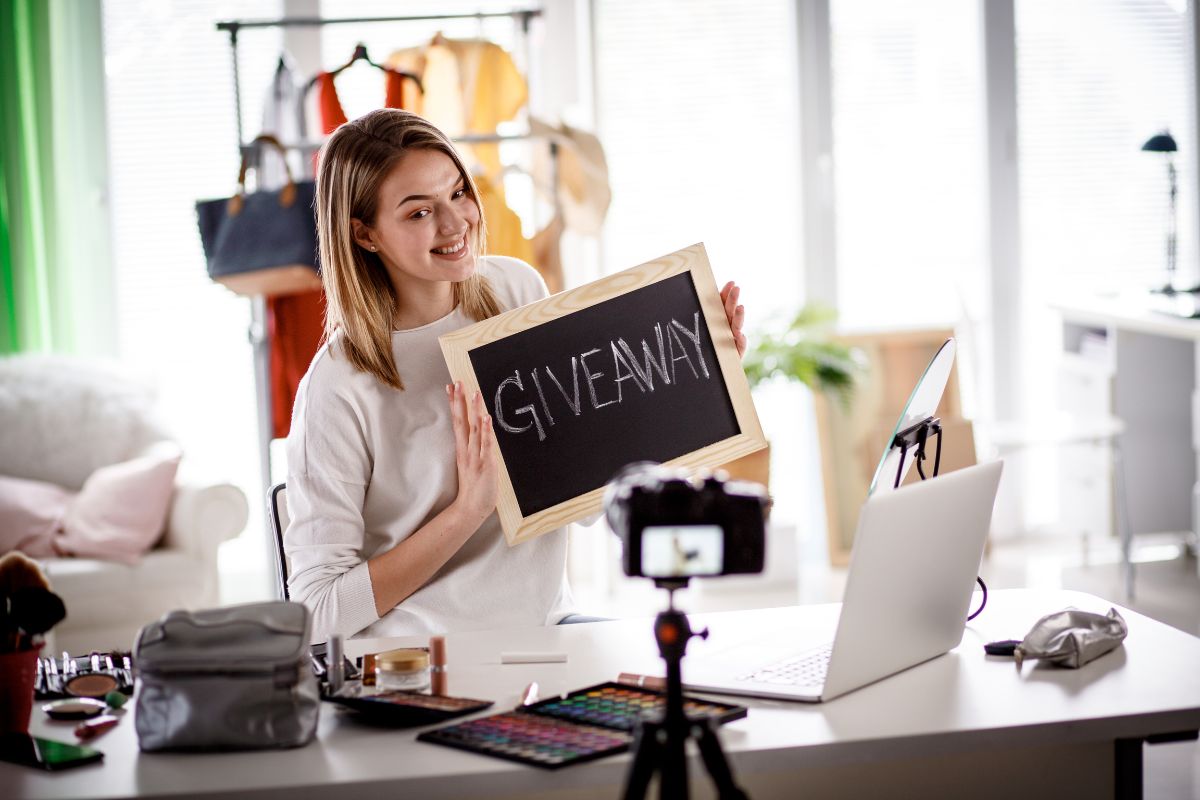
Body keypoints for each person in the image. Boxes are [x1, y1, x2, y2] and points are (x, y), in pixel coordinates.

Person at [285, 108, 747, 642]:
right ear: (364, 235)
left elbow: (587, 494)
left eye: (458, 192)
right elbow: (317, 611)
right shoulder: (340, 384)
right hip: (420, 656)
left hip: (548, 629)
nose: (456, 223)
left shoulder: (515, 293)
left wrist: (695, 383)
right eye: (418, 213)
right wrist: (468, 511)